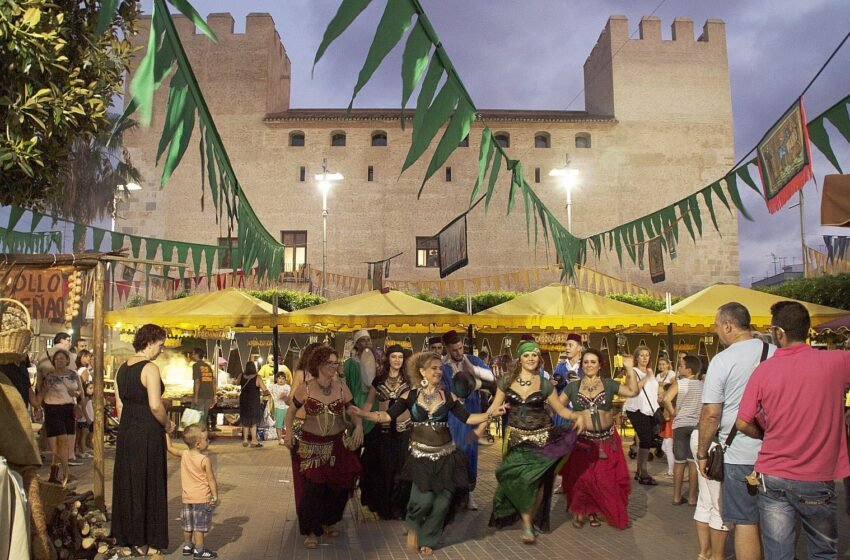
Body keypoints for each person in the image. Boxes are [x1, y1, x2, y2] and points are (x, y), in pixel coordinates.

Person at [348, 352, 506, 556]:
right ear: (422, 371)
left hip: (446, 456)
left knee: (442, 502)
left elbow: (467, 418)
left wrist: (491, 413)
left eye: (440, 368)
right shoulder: (411, 396)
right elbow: (386, 415)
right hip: (420, 456)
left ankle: (428, 537)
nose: (439, 372)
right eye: (434, 368)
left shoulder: (448, 397)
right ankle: (413, 525)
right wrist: (363, 414)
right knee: (422, 500)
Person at [736, 301, 850, 560]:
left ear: (779, 333)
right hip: (817, 477)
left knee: (778, 554)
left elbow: (742, 422)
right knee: (822, 552)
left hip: (773, 475)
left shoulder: (763, 371)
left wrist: (764, 435)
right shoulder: (837, 362)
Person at [696, 302, 774, 560]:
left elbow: (711, 414)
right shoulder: (775, 352)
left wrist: (702, 451)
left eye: (717, 326)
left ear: (729, 325)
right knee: (777, 521)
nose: (717, 332)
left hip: (739, 454)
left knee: (746, 521)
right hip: (776, 452)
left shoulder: (723, 360)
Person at [486, 340, 583, 543]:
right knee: (517, 480)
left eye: (534, 355)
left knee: (537, 482)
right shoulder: (505, 380)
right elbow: (493, 407)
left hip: (541, 439)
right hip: (515, 439)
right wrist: (487, 416)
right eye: (526, 355)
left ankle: (528, 523)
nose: (531, 358)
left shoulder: (545, 383)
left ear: (539, 359)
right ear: (519, 359)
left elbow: (561, 409)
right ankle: (522, 515)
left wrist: (576, 416)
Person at [284, 346, 363, 549]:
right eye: (331, 363)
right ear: (319, 364)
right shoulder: (306, 388)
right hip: (312, 445)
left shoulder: (341, 387)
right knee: (313, 489)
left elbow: (352, 410)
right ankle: (311, 530)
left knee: (337, 486)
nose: (335, 366)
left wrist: (359, 426)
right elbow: (291, 412)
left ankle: (328, 521)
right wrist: (289, 432)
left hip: (337, 444)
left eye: (336, 363)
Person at [558, 349, 639, 528]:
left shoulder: (609, 384)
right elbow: (556, 404)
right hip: (582, 441)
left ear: (600, 365)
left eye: (593, 362)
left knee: (604, 479)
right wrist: (571, 416)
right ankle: (580, 511)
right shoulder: (573, 386)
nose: (589, 365)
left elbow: (633, 391)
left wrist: (630, 369)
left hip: (606, 441)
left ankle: (594, 511)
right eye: (585, 362)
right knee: (582, 479)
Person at [111, 323, 172, 558]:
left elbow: (119, 405)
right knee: (150, 482)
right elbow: (155, 405)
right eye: (160, 344)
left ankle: (128, 536)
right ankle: (149, 539)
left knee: (128, 482)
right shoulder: (150, 368)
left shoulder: (122, 369)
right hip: (147, 431)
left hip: (127, 430)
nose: (162, 350)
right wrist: (167, 424)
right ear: (149, 343)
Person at [439, 330, 494, 511]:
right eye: (454, 350)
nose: (458, 352)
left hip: (472, 412)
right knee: (453, 453)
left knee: (470, 453)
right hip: (453, 416)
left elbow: (492, 378)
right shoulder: (442, 366)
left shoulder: (474, 361)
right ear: (447, 349)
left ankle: (470, 493)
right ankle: (453, 495)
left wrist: (473, 369)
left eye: (460, 348)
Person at [359, 345, 412, 519]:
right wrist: (359, 422)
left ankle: (400, 508)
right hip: (383, 433)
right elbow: (368, 404)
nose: (397, 360)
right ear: (387, 359)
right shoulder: (379, 381)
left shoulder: (409, 381)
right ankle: (384, 508)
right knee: (383, 470)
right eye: (394, 357)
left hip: (404, 433)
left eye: (400, 357)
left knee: (402, 471)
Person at [166, 424, 219, 559]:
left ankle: (187, 546)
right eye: (206, 440)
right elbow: (211, 479)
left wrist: (166, 434)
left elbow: (170, 448)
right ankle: (199, 550)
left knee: (187, 525)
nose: (208, 441)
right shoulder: (204, 460)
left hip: (187, 498)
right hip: (201, 498)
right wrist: (215, 495)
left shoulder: (184, 454)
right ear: (198, 444)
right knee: (199, 526)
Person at [33, 348, 83, 484]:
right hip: (53, 409)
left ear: (67, 360)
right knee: (62, 441)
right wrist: (36, 405)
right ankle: (66, 474)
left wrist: (77, 398)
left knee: (62, 445)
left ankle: (55, 472)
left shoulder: (73, 374)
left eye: (61, 358)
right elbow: (41, 393)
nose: (59, 361)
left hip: (68, 409)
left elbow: (81, 393)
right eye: (56, 359)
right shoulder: (49, 376)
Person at [662, 355, 703, 505]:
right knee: (693, 462)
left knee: (679, 461)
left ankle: (676, 496)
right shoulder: (702, 385)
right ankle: (692, 497)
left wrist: (673, 412)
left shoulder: (681, 383)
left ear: (688, 370)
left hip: (680, 425)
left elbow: (666, 398)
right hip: (696, 426)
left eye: (681, 366)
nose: (679, 368)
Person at [623, 345, 660, 485]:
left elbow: (653, 390)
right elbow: (633, 389)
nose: (645, 358)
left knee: (647, 440)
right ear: (636, 357)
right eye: (642, 355)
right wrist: (647, 378)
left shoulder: (650, 370)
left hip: (650, 409)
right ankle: (643, 472)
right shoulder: (633, 371)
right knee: (645, 439)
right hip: (637, 409)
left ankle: (640, 471)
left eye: (647, 355)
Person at [343, 330, 378, 441]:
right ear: (357, 344)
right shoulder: (349, 364)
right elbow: (345, 388)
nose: (367, 343)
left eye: (369, 340)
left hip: (373, 406)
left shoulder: (378, 362)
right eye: (363, 340)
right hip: (355, 405)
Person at [237, 361, 269, 448]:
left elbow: (237, 383)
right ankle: (254, 441)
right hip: (253, 401)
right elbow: (265, 390)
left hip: (243, 400)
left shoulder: (241, 375)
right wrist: (263, 394)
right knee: (253, 421)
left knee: (245, 420)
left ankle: (245, 440)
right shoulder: (257, 377)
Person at [656, 355, 676, 478]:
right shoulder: (658, 376)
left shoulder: (671, 375)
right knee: (665, 446)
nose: (662, 366)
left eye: (664, 364)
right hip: (664, 411)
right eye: (660, 364)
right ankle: (672, 468)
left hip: (669, 417)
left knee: (668, 446)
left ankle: (671, 470)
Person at [74, 350, 94, 459]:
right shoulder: (84, 370)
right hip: (85, 400)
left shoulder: (80, 370)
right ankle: (82, 451)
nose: (89, 359)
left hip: (82, 400)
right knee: (83, 430)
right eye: (87, 357)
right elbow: (84, 386)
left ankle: (79, 450)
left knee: (80, 432)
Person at [192, 348, 216, 430]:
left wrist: (195, 397)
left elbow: (197, 381)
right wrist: (214, 396)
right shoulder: (208, 366)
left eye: (193, 353)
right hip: (209, 395)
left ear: (196, 355)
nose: (192, 355)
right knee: (204, 417)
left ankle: (199, 437)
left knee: (198, 418)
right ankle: (204, 436)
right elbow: (213, 381)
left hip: (201, 395)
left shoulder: (196, 366)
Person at [268, 372, 291, 446]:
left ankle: (288, 438)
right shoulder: (273, 387)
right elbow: (266, 392)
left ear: (285, 380)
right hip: (278, 407)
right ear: (276, 379)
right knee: (279, 424)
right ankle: (280, 439)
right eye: (279, 378)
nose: (281, 380)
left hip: (287, 407)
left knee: (288, 424)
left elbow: (291, 396)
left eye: (283, 378)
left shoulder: (288, 387)